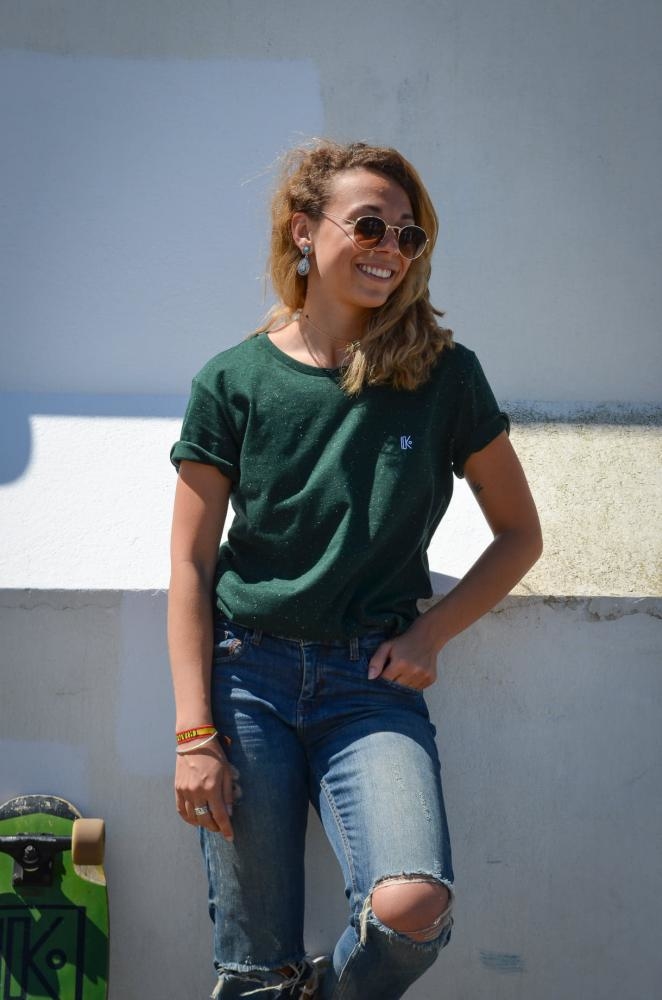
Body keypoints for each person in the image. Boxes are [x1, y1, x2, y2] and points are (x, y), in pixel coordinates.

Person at [168, 139, 542, 1000]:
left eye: (408, 235)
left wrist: (432, 632)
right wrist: (195, 735)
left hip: (370, 685)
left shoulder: (445, 377)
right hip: (246, 680)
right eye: (369, 225)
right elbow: (190, 563)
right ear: (304, 231)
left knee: (413, 905)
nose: (390, 248)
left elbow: (519, 534)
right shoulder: (233, 380)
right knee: (254, 967)